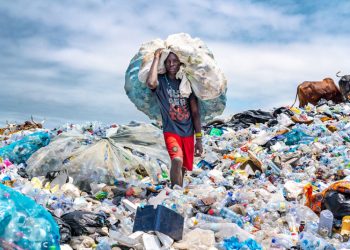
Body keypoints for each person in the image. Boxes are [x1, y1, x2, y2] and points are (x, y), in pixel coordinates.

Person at [146, 48, 203, 187]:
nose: (171, 64)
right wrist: (156, 57)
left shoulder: (186, 83)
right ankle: (174, 192)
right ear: (164, 64)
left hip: (188, 133)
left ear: (180, 63)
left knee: (182, 168)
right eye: (168, 61)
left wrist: (199, 140)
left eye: (175, 61)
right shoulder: (161, 82)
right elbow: (151, 83)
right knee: (177, 160)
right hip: (171, 130)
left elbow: (195, 113)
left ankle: (177, 196)